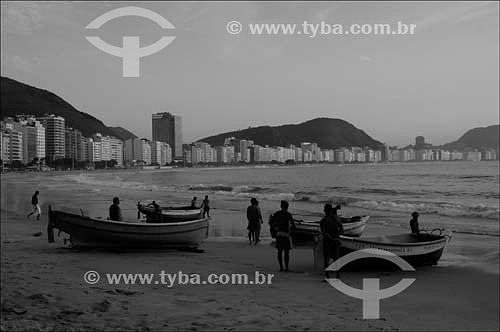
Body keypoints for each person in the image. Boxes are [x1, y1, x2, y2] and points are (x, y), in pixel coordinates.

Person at [269, 200, 295, 272]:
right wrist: (292, 233)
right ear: (287, 207)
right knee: (286, 252)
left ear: (281, 206)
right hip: (286, 234)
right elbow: (293, 225)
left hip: (279, 234)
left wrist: (275, 227)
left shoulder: (277, 214)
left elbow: (270, 223)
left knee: (280, 251)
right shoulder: (288, 214)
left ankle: (281, 267)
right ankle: (286, 268)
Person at [320, 203, 344, 278]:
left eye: (326, 211)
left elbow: (324, 232)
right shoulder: (337, 219)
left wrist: (332, 238)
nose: (325, 212)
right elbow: (342, 230)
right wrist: (336, 237)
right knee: (335, 258)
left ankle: (328, 276)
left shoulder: (323, 220)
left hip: (328, 241)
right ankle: (336, 276)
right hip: (334, 241)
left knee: (327, 258)